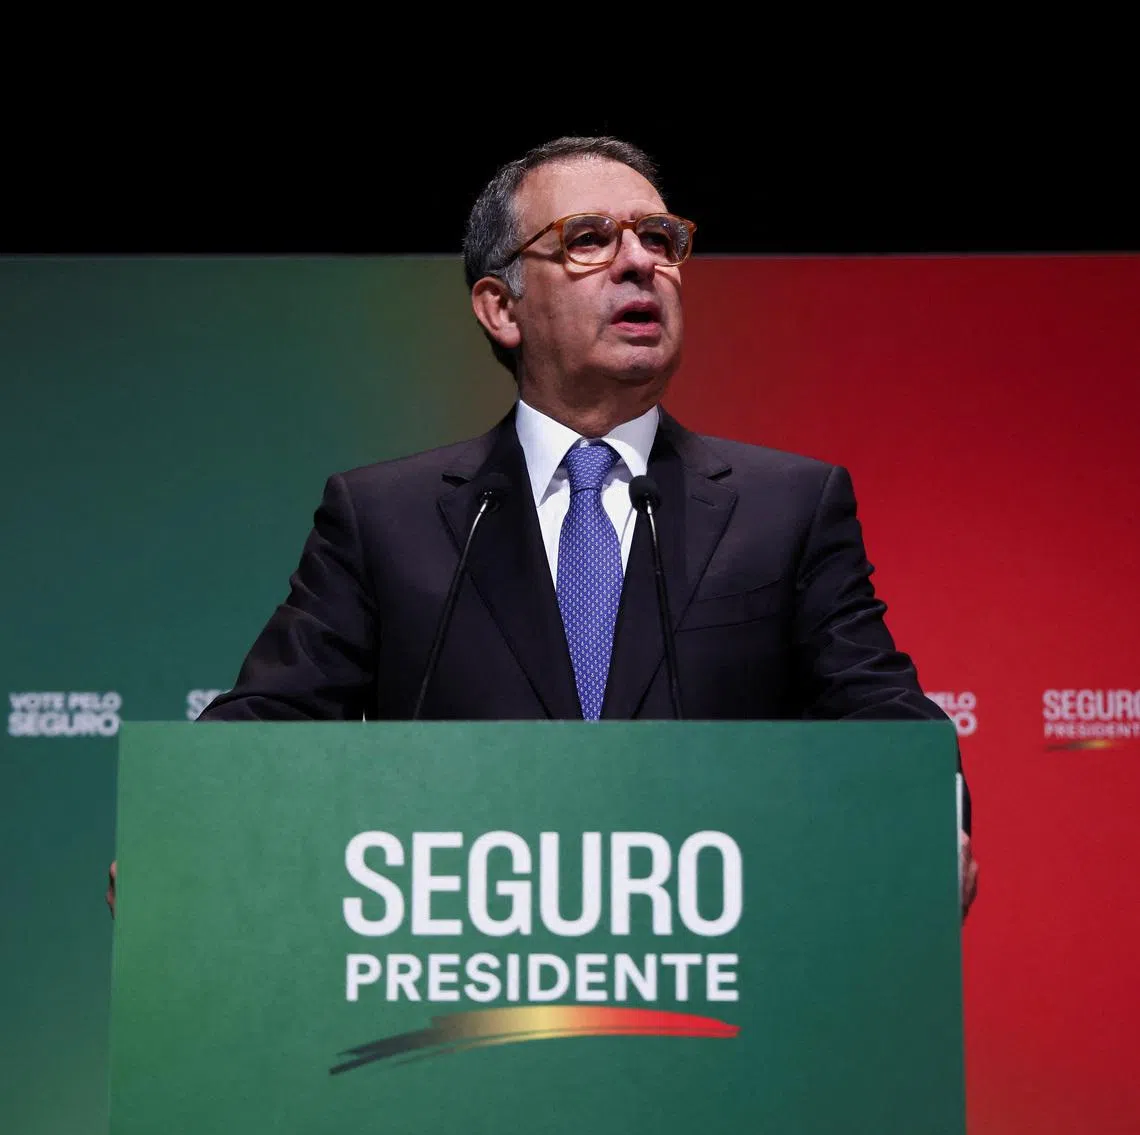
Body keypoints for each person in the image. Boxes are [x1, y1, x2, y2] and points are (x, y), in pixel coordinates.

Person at [108, 136, 977, 915]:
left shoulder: (786, 506)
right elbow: (267, 721)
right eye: (590, 240)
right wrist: (175, 835)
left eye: (661, 238)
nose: (641, 264)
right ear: (500, 307)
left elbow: (884, 715)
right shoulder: (387, 519)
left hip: (719, 961)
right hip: (465, 979)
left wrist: (932, 822)